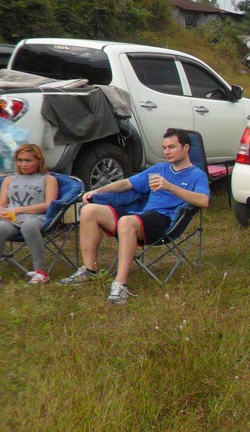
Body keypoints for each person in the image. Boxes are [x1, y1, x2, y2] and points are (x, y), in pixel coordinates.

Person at [60, 128, 210, 304]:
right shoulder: (159, 169)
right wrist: (98, 191)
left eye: (172, 147)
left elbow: (203, 201)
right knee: (89, 210)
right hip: (141, 216)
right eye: (164, 148)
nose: (167, 152)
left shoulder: (197, 175)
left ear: (186, 148)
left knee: (126, 222)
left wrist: (169, 187)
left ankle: (120, 285)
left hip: (163, 220)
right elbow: (126, 183)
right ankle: (88, 270)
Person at [0, 143, 59, 284]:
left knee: (28, 226)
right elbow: (2, 204)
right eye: (20, 160)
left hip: (37, 217)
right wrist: (2, 212)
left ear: (39, 161)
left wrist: (18, 209)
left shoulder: (48, 179)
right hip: (12, 220)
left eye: (28, 160)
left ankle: (41, 272)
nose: (23, 164)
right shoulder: (9, 180)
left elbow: (49, 205)